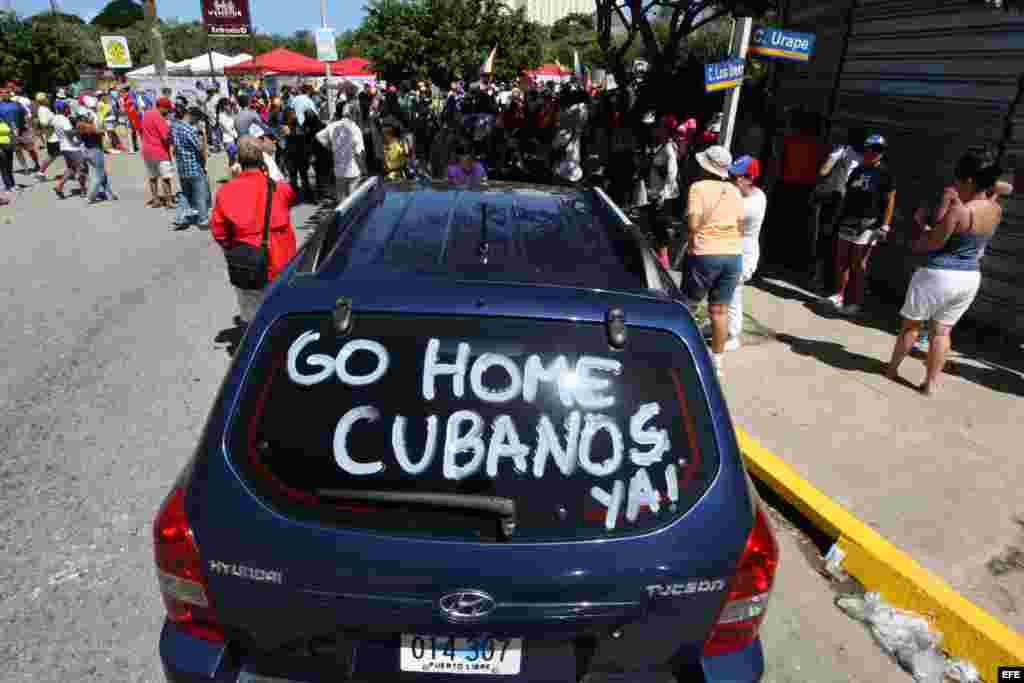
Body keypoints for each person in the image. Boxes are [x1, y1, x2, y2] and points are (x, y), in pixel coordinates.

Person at [886, 152, 1004, 396]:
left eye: (960, 180)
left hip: (938, 273)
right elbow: (1001, 187)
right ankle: (930, 385)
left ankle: (892, 370)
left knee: (911, 327)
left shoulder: (960, 211)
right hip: (970, 277)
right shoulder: (996, 209)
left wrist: (922, 227)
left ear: (970, 180)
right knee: (942, 332)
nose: (957, 184)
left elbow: (934, 243)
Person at [210, 135, 298, 325]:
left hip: (246, 261)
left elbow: (219, 232)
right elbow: (290, 199)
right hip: (280, 258)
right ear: (262, 160)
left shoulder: (226, 191)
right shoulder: (280, 189)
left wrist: (234, 248)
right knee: (282, 314)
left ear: (238, 162)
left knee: (252, 317)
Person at [681, 145, 744, 377]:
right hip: (733, 255)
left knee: (687, 307)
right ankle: (717, 363)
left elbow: (693, 224)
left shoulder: (698, 187)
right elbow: (739, 226)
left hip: (706, 253)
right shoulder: (736, 191)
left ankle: (683, 354)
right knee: (719, 311)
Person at [825, 134, 896, 315]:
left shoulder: (885, 174)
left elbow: (890, 201)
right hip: (849, 219)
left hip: (868, 224)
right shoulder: (857, 171)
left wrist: (885, 225)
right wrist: (838, 217)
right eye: (871, 149)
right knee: (841, 259)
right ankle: (839, 295)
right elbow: (847, 195)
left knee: (858, 263)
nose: (874, 153)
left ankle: (855, 302)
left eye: (879, 150)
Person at [724, 155, 768, 351]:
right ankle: (722, 327)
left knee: (733, 293)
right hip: (730, 251)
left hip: (743, 257)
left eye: (736, 177)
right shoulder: (744, 195)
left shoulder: (753, 203)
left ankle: (732, 335)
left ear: (749, 178)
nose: (731, 181)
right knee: (722, 293)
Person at [646, 114, 680, 268]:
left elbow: (672, 173)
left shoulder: (668, 147)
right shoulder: (661, 145)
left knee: (661, 229)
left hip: (663, 196)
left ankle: (663, 263)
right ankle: (659, 259)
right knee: (656, 226)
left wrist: (663, 194)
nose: (655, 129)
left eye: (659, 126)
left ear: (666, 130)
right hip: (656, 192)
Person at [170, 104, 211, 230]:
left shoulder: (175, 126)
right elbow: (199, 147)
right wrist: (203, 134)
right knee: (200, 192)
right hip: (194, 165)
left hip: (182, 166)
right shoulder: (189, 129)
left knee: (186, 194)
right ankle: (203, 220)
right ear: (193, 117)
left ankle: (180, 218)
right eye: (197, 119)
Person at [315, 101, 366, 201]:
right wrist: (363, 169)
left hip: (338, 169)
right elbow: (359, 152)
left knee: (342, 201)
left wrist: (330, 146)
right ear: (354, 114)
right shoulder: (355, 128)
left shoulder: (333, 125)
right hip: (353, 169)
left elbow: (318, 136)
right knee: (352, 201)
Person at [78, 104, 118, 204]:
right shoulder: (89, 127)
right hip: (95, 151)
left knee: (102, 174)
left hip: (87, 151)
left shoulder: (79, 125)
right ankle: (90, 197)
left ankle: (109, 194)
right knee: (98, 176)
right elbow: (101, 132)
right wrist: (100, 125)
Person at [141, 97, 176, 208]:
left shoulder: (146, 114)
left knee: (152, 177)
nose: (168, 112)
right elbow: (165, 137)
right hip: (159, 151)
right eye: (167, 109)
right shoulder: (159, 117)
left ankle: (156, 200)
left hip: (147, 150)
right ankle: (169, 201)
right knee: (165, 177)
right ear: (162, 107)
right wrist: (173, 142)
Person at [51, 101, 87, 200]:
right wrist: (79, 130)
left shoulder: (55, 118)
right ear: (64, 109)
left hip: (63, 147)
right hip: (72, 148)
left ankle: (59, 186)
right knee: (82, 168)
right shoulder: (64, 119)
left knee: (71, 169)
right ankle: (83, 190)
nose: (69, 109)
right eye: (67, 107)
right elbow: (69, 133)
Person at [0, 87, 25, 192]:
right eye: (3, 93)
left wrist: (20, 130)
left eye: (7, 92)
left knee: (8, 160)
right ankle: (9, 185)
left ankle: (10, 184)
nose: (5, 94)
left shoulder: (16, 104)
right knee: (4, 161)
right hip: (3, 136)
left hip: (12, 136)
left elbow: (22, 117)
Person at [35, 93, 61, 181]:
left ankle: (41, 172)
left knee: (53, 155)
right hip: (53, 137)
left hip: (55, 136)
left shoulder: (45, 109)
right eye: (47, 98)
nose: (49, 99)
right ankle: (40, 172)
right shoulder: (43, 110)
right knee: (53, 155)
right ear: (43, 100)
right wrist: (55, 125)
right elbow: (44, 123)